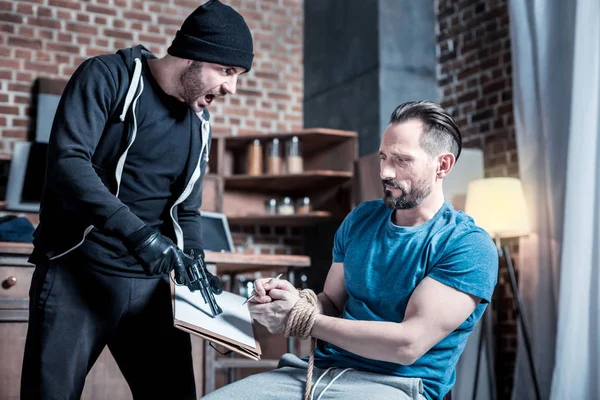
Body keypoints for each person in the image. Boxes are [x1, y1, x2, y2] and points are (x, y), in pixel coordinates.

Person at [20, 1, 253, 399]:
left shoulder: (200, 122)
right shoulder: (108, 76)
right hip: (78, 274)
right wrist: (141, 236)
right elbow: (68, 164)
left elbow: (187, 209)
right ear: (194, 56)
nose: (231, 87)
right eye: (227, 72)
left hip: (151, 289)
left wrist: (195, 263)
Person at [203, 101, 499, 400]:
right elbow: (331, 301)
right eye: (383, 157)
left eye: (401, 160)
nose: (384, 171)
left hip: (396, 386)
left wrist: (302, 318)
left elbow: (407, 345)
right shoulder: (361, 218)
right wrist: (291, 301)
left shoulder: (468, 246)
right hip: (321, 371)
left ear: (443, 165)